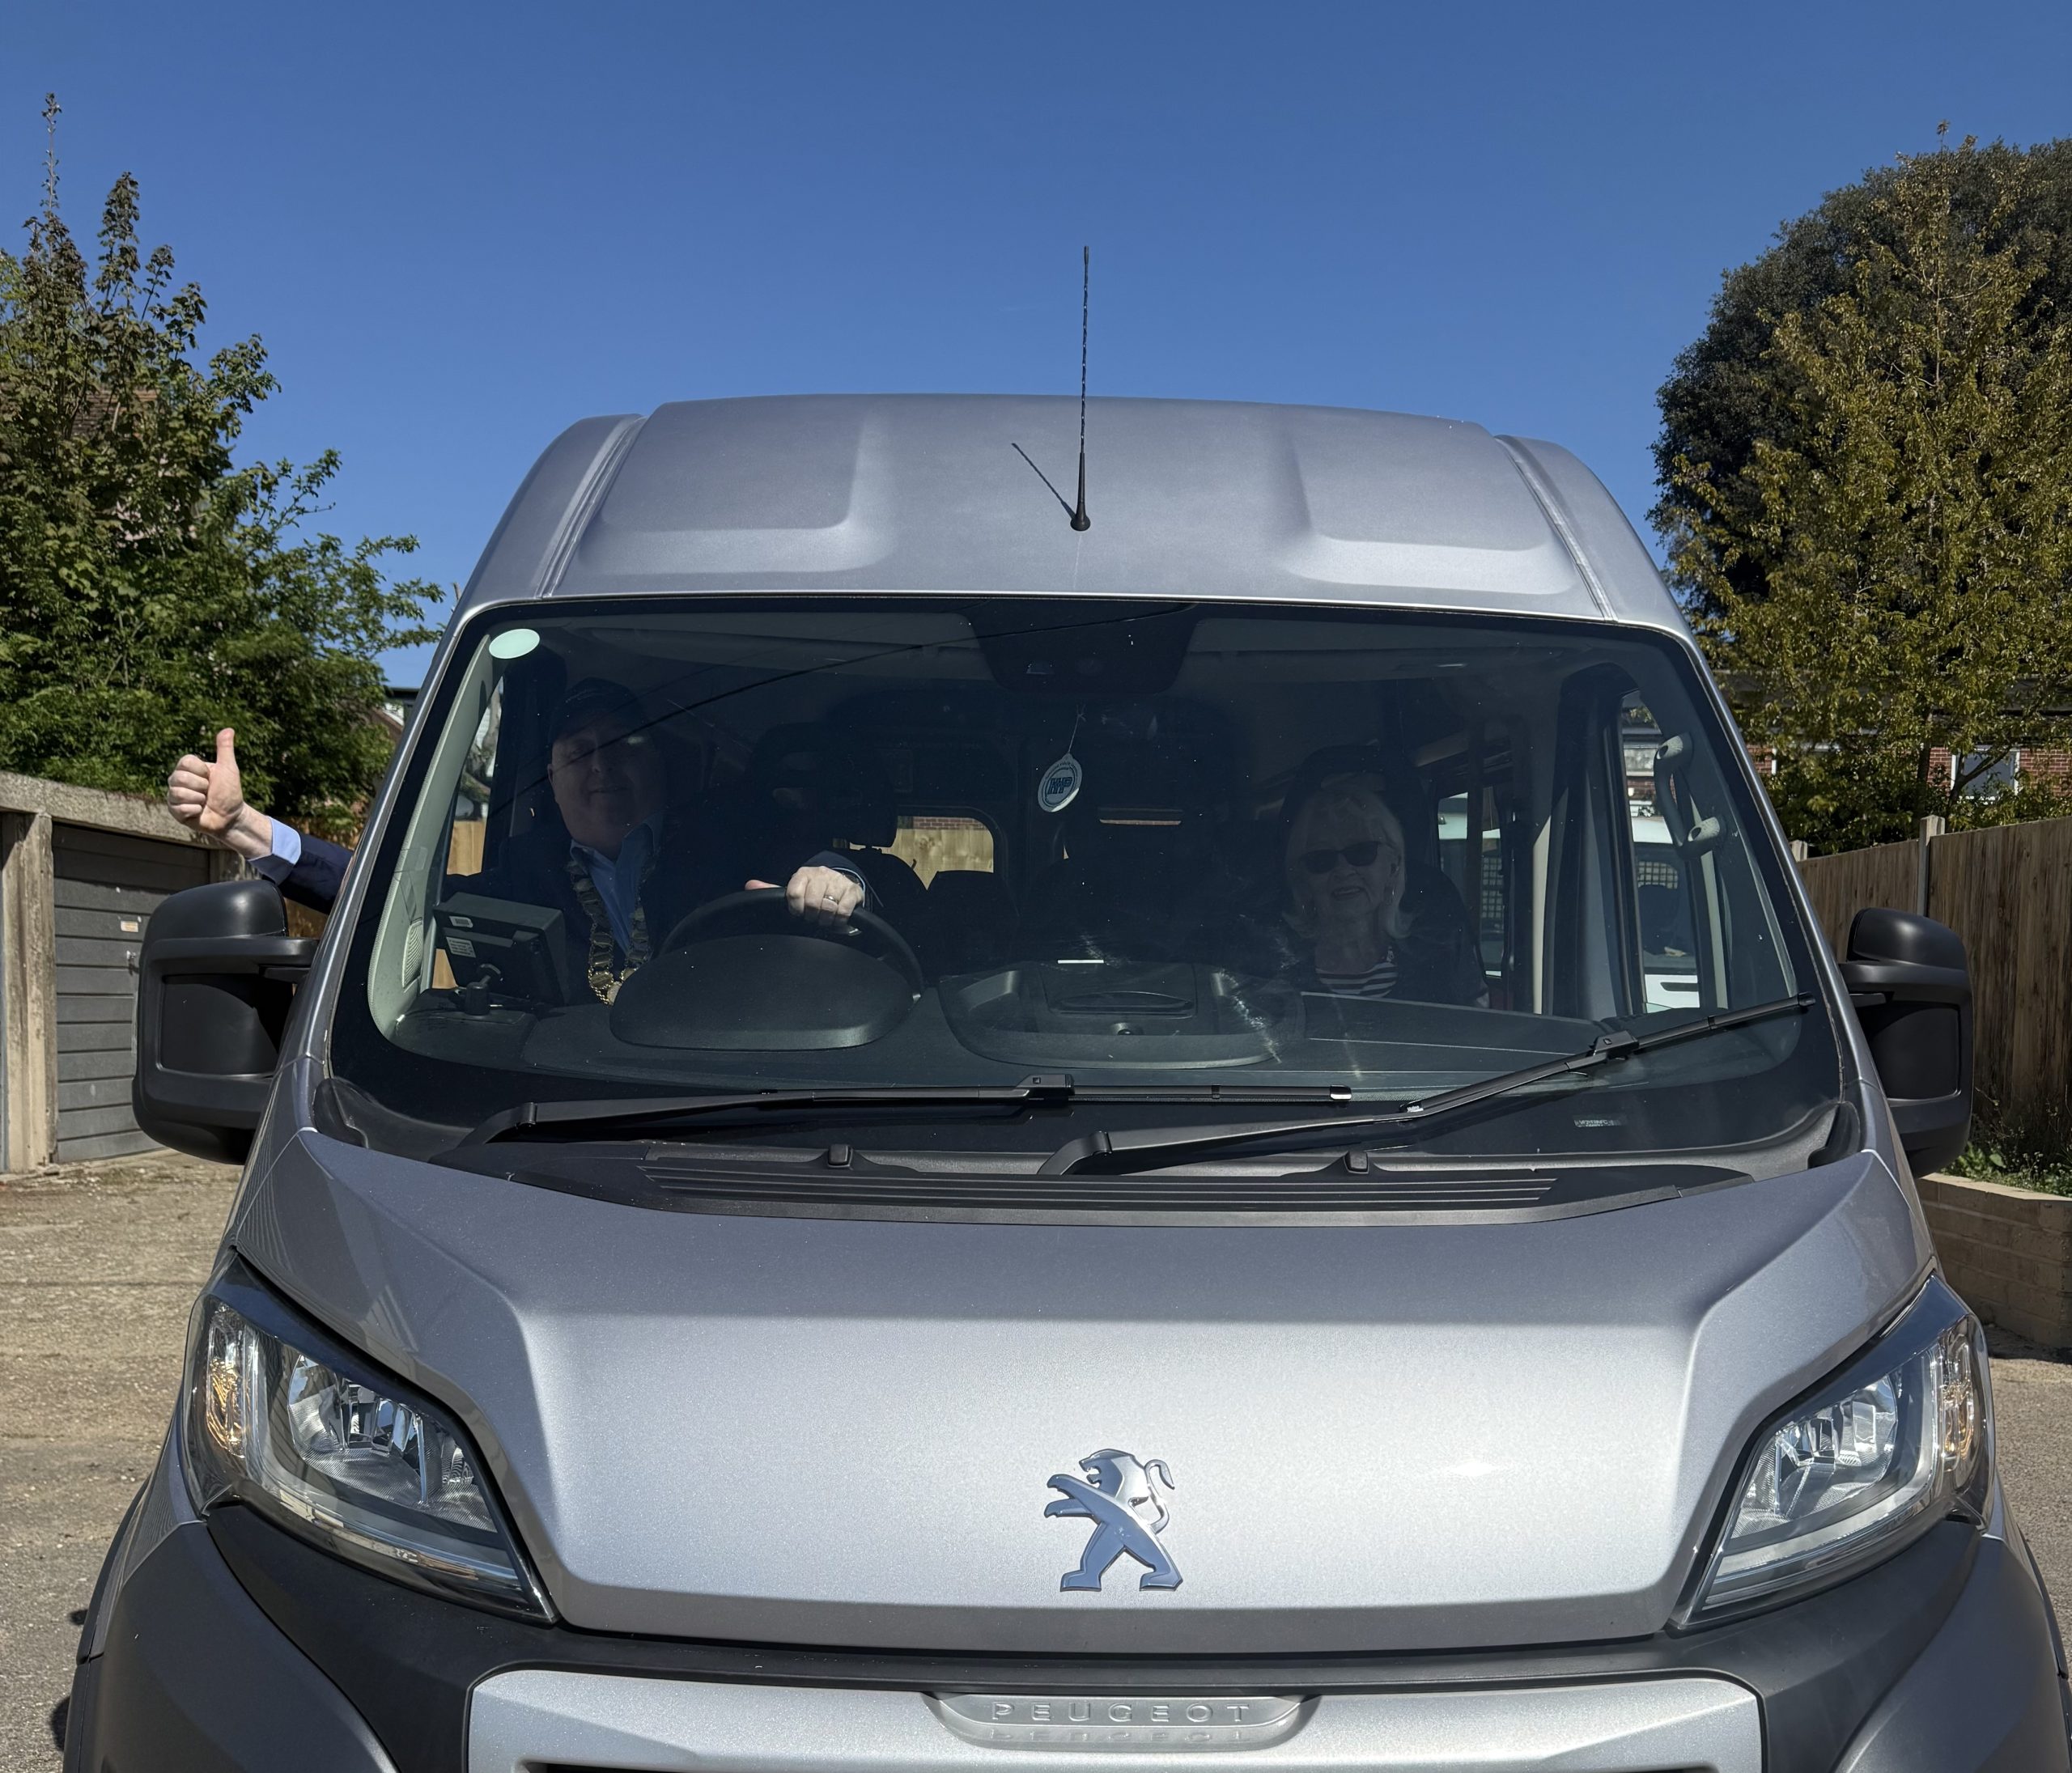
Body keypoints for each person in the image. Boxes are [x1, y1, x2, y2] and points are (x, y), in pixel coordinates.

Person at [167, 680, 869, 1003]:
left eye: (624, 744)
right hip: (558, 1118)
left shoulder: (727, 842)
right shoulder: (522, 872)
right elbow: (393, 899)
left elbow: (857, 874)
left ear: (660, 764)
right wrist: (245, 827)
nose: (601, 767)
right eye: (578, 752)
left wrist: (834, 876)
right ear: (554, 781)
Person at [1280, 770, 1485, 1006]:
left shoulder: (1439, 960)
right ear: (1302, 878)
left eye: (1362, 852)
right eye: (1321, 859)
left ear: (1393, 866)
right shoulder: (1279, 971)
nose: (1343, 870)